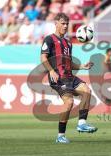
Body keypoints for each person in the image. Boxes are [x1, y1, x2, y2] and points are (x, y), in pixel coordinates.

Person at [40, 13, 97, 144]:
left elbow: (68, 63)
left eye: (67, 24)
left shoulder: (68, 43)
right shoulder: (49, 39)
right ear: (56, 23)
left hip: (70, 76)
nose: (65, 26)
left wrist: (82, 66)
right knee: (69, 102)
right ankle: (60, 136)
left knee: (87, 91)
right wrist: (51, 71)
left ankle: (82, 123)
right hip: (58, 78)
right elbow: (43, 58)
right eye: (62, 23)